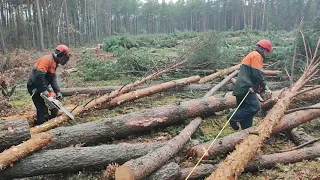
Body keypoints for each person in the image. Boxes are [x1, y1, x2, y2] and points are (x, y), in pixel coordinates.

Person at [227, 39, 272, 130]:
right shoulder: (256, 56)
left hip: (242, 87)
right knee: (254, 107)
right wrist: (265, 87)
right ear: (264, 49)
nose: (267, 54)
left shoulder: (252, 55)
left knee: (246, 111)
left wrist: (259, 89)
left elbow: (252, 74)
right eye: (267, 52)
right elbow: (258, 74)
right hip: (246, 87)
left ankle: (246, 132)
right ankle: (232, 117)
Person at [27, 45, 70, 125]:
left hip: (42, 86)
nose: (64, 60)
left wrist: (57, 92)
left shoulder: (54, 63)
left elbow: (53, 78)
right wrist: (44, 90)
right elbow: (39, 75)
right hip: (34, 86)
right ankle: (41, 124)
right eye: (64, 58)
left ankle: (50, 120)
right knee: (42, 108)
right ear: (60, 55)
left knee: (54, 105)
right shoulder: (47, 59)